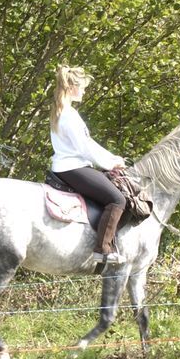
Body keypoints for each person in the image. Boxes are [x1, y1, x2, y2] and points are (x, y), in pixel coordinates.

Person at [49, 65, 127, 265]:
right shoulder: (69, 115)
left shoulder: (62, 111)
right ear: (72, 87)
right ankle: (103, 250)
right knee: (118, 200)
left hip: (67, 166)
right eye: (82, 87)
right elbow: (85, 149)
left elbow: (89, 144)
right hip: (74, 167)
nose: (84, 91)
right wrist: (110, 164)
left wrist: (111, 158)